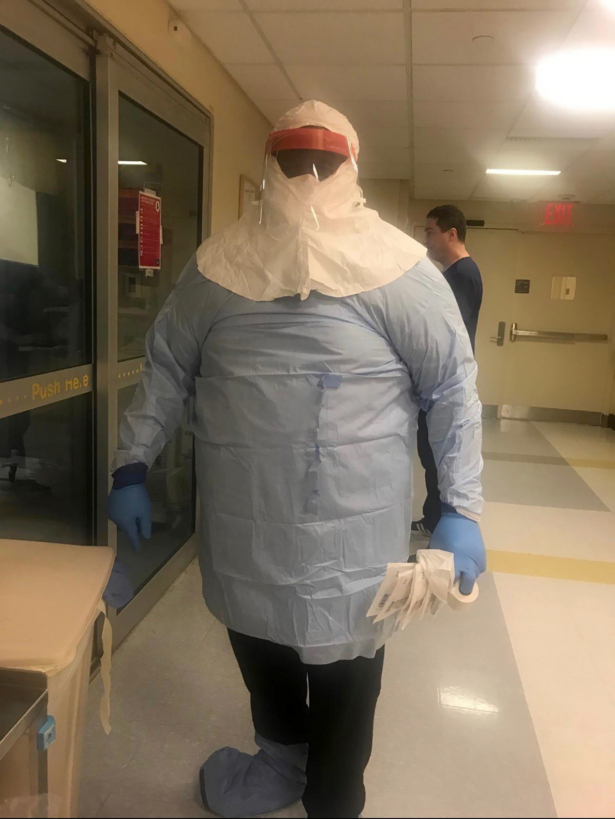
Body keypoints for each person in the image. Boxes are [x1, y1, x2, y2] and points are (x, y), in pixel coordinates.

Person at [108, 101, 486, 819]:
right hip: (243, 526)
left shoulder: (401, 271)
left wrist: (459, 508)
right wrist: (133, 462)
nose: (307, 177)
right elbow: (166, 368)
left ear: (349, 166)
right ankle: (279, 759)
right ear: (267, 166)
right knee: (259, 641)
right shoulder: (219, 268)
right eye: (293, 160)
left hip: (353, 537)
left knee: (346, 666)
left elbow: (452, 391)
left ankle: (335, 795)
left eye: (321, 161)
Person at [412, 205, 483, 538]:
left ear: (451, 234)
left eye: (430, 232)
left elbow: (449, 335)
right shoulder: (453, 275)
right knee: (431, 455)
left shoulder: (462, 274)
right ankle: (432, 517)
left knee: (438, 457)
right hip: (440, 383)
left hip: (447, 383)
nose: (426, 241)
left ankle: (439, 523)